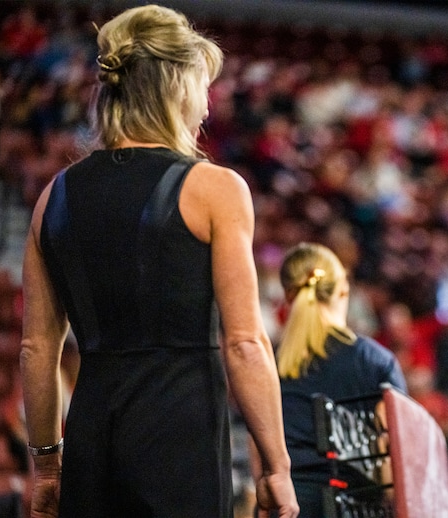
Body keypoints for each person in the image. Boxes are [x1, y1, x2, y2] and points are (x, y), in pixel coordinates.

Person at [19, 5, 298, 518]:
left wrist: (47, 469)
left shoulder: (52, 198)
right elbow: (244, 341)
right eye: (202, 89)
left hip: (91, 440)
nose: (208, 109)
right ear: (178, 88)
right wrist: (275, 467)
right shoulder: (215, 189)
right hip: (180, 436)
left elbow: (38, 349)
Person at [251, 242, 407, 517]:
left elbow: (257, 446)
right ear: (343, 291)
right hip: (356, 507)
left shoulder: (267, 362)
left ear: (287, 296)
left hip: (285, 504)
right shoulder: (376, 361)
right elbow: (397, 451)